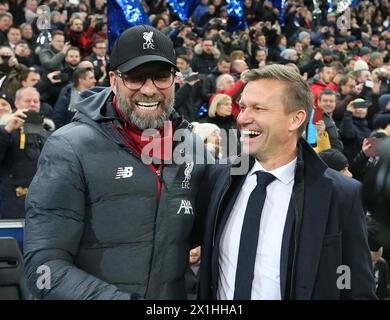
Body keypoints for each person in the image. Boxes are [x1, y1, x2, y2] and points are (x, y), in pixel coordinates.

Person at [24, 25, 209, 300]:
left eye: (161, 77)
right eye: (135, 78)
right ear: (113, 79)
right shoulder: (69, 147)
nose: (149, 89)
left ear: (174, 79)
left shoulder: (192, 145)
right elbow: (43, 269)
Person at [198, 64, 377, 300]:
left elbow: (357, 291)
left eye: (258, 108)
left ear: (295, 119)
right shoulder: (217, 177)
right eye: (242, 107)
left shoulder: (341, 194)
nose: (242, 118)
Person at [0, 87, 52, 219]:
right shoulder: (5, 129)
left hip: (44, 200)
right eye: (28, 101)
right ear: (16, 104)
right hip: (13, 200)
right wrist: (7, 130)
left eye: (36, 101)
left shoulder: (47, 134)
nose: (33, 104)